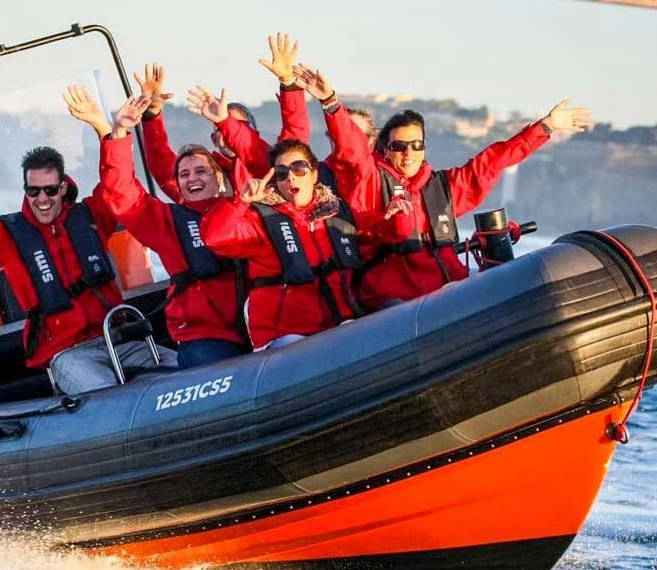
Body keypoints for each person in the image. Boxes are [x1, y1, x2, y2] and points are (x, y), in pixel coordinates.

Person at [293, 63, 593, 311]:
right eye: (399, 146)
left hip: (446, 298)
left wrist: (546, 126)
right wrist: (331, 103)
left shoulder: (444, 187)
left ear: (424, 148)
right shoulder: (370, 182)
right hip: (393, 308)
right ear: (385, 150)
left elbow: (494, 160)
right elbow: (351, 149)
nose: (408, 153)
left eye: (416, 144)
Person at [0, 107, 175, 395]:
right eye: (33, 191)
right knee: (107, 397)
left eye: (50, 190)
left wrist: (107, 131)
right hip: (69, 354)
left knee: (180, 368)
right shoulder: (9, 236)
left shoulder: (91, 216)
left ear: (63, 187)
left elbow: (117, 185)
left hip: (119, 340)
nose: (42, 199)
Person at [64, 85, 249, 369]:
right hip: (207, 336)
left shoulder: (245, 206)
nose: (192, 179)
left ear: (219, 177)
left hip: (259, 324)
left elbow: (256, 162)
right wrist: (116, 134)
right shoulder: (167, 222)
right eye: (184, 174)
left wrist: (224, 124)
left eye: (201, 171)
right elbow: (122, 192)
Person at [201, 139, 374, 350]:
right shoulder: (260, 220)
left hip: (336, 323)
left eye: (299, 168)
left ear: (314, 174)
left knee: (364, 339)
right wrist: (241, 201)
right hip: (283, 335)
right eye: (281, 172)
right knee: (303, 351)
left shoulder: (337, 213)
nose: (290, 176)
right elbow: (214, 237)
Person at [135, 33, 310, 201]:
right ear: (213, 138)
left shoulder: (272, 171)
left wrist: (288, 83)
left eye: (239, 125)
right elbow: (163, 167)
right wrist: (152, 114)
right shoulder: (200, 176)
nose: (228, 133)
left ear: (254, 132)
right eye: (220, 128)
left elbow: (295, 139)